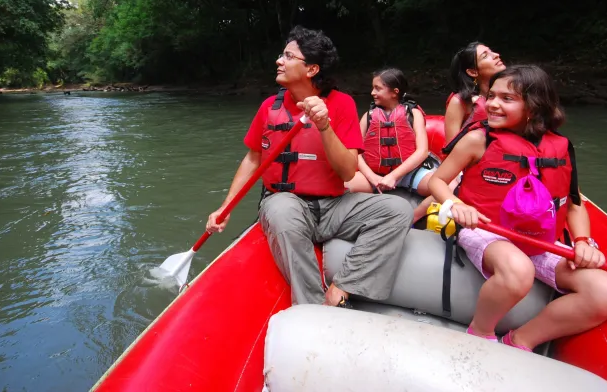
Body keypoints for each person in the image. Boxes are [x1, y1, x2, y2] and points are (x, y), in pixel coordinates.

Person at [206, 26, 413, 307]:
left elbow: (348, 172)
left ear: (312, 69)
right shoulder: (269, 106)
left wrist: (324, 126)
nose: (279, 61)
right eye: (282, 54)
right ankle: (314, 306)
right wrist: (226, 206)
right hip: (284, 201)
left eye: (288, 56)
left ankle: (342, 287)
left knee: (398, 208)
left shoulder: (342, 104)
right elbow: (253, 159)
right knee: (281, 209)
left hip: (332, 207)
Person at [428, 65, 607, 351]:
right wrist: (457, 205)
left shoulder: (559, 146)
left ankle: (521, 340)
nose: (493, 104)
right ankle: (480, 333)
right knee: (518, 270)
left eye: (507, 98)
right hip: (484, 229)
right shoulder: (477, 140)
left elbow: (574, 203)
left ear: (534, 106)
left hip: (539, 240)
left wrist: (583, 242)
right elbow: (438, 181)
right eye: (492, 95)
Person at [346, 68, 433, 196]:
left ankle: (415, 215)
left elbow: (422, 151)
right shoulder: (368, 116)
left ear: (394, 92)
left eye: (377, 88)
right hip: (374, 175)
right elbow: (355, 152)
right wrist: (373, 178)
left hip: (409, 174)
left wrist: (393, 176)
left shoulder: (413, 114)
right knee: (341, 185)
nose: (372, 92)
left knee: (443, 186)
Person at [444, 42, 506, 143]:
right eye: (485, 56)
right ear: (473, 72)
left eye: (491, 51)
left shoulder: (511, 94)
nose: (496, 55)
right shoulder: (460, 102)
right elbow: (451, 146)